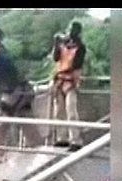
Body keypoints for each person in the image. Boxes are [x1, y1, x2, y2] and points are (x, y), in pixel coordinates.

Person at [51, 21, 87, 150]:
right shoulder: (62, 44)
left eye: (74, 30)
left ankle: (76, 140)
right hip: (60, 80)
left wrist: (70, 45)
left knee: (71, 111)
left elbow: (77, 64)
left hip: (71, 80)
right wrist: (57, 44)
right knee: (59, 112)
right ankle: (62, 138)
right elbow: (56, 58)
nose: (71, 32)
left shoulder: (81, 47)